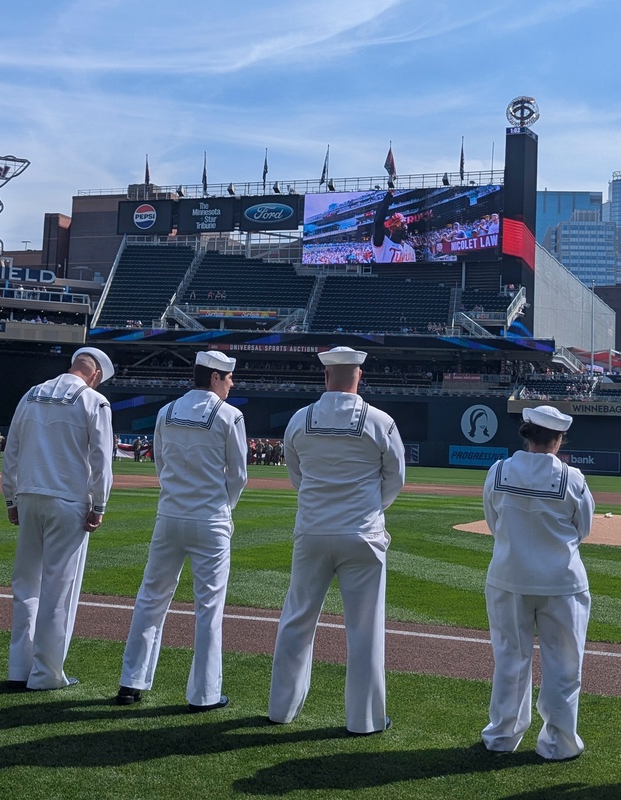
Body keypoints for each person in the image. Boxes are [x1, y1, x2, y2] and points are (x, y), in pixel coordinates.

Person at [269, 346, 405, 733]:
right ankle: (364, 720)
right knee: (365, 629)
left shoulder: (299, 419)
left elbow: (296, 475)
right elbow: (395, 479)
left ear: (326, 376)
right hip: (362, 534)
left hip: (311, 531)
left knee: (297, 620)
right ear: (358, 375)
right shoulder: (381, 421)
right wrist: (368, 508)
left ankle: (281, 709)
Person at [117, 351, 248, 711]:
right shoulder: (230, 415)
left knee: (150, 598)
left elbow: (160, 462)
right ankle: (204, 694)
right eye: (229, 378)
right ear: (217, 377)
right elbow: (238, 475)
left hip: (170, 515)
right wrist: (224, 505)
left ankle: (131, 682)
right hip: (210, 520)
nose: (232, 384)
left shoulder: (166, 411)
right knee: (209, 608)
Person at [481, 405, 595, 761]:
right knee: (564, 666)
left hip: (508, 576)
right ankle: (559, 744)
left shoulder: (498, 471)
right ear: (558, 439)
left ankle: (502, 736)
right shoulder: (573, 478)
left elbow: (492, 520)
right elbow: (584, 528)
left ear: (527, 433)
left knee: (509, 660)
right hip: (561, 582)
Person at [2, 346, 115, 690]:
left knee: (26, 586)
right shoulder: (93, 401)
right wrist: (99, 505)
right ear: (96, 375)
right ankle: (46, 674)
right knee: (58, 591)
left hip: (31, 495)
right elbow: (101, 459)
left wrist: (11, 496)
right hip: (67, 501)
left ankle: (18, 668)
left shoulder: (32, 394)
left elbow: (12, 450)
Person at [371, 190, 416, 263]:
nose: (405, 227)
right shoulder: (383, 244)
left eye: (405, 223)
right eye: (401, 224)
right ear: (392, 227)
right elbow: (378, 222)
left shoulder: (410, 249)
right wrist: (389, 195)